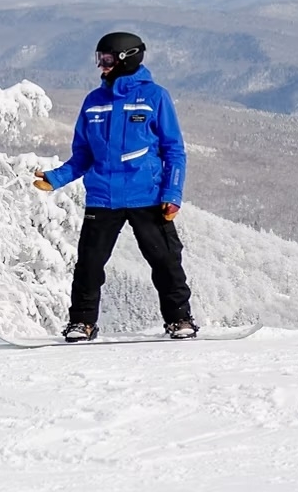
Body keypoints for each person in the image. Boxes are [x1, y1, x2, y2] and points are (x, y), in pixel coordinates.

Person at [32, 32, 196, 342]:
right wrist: (56, 178)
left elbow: (174, 151)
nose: (101, 67)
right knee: (89, 265)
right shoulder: (93, 102)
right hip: (103, 196)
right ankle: (82, 323)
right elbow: (82, 155)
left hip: (147, 196)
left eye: (106, 60)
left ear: (126, 58)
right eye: (99, 59)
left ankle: (179, 319)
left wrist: (172, 194)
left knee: (165, 260)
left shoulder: (155, 97)